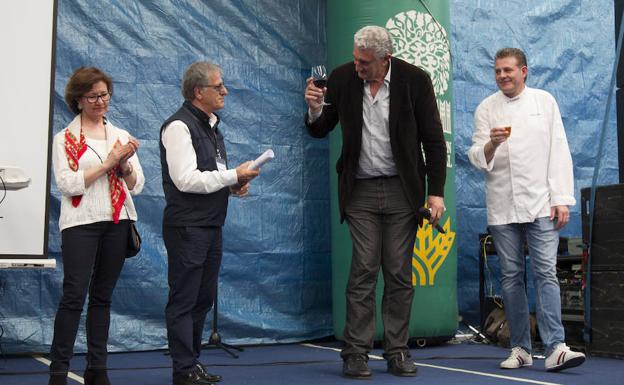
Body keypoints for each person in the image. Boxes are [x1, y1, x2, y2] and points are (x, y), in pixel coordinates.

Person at [303, 26, 447, 379]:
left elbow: (434, 139)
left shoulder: (415, 80)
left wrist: (436, 191)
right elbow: (320, 129)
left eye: (365, 62)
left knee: (398, 272)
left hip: (403, 191)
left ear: (387, 59)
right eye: (355, 59)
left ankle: (397, 351)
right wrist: (315, 109)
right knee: (364, 269)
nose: (358, 67)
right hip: (360, 191)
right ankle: (355, 353)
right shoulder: (341, 79)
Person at [468, 48, 585, 372]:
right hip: (503, 206)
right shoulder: (486, 109)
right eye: (497, 71)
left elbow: (558, 150)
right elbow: (477, 157)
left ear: (524, 71)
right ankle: (519, 347)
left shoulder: (544, 102)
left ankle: (556, 347)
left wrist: (561, 198)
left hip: (540, 203)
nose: (502, 76)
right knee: (510, 277)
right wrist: (492, 143)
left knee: (545, 271)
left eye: (508, 70)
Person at [160, 61, 259, 385]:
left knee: (203, 300)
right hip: (188, 227)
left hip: (210, 224)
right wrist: (232, 175)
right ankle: (183, 369)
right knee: (185, 299)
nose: (225, 91)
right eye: (219, 86)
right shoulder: (178, 127)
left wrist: (232, 185)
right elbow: (186, 180)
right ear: (198, 91)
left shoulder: (213, 128)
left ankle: (192, 363)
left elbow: (209, 175)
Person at [49, 67, 144, 385]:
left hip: (116, 221)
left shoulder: (119, 135)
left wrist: (125, 164)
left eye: (104, 94)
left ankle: (97, 368)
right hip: (80, 223)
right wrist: (106, 164)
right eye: (93, 96)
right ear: (78, 100)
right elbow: (67, 184)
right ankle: (59, 369)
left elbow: (137, 184)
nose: (101, 101)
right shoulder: (64, 139)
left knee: (103, 296)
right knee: (74, 295)